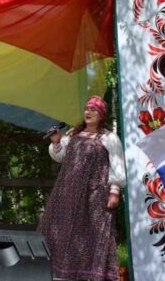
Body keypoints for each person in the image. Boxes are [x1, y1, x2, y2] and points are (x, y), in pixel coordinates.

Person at [38, 95, 126, 281]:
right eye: (86, 109)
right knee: (62, 229)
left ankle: (92, 275)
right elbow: (60, 156)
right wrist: (56, 141)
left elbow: (117, 166)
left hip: (94, 193)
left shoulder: (109, 138)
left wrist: (115, 191)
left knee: (91, 232)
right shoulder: (73, 134)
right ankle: (60, 274)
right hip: (68, 191)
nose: (88, 112)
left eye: (93, 109)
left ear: (101, 115)